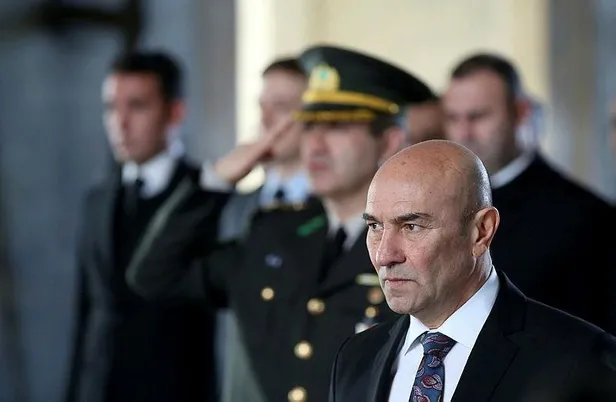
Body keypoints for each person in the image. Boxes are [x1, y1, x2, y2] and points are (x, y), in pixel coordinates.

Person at [126, 44, 438, 402]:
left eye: (337, 126)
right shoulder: (275, 233)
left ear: (389, 141)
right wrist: (215, 181)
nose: (316, 145)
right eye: (310, 126)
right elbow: (154, 275)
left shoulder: (417, 245)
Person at [329, 140, 616, 402]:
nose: (384, 255)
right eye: (375, 226)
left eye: (411, 227)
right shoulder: (355, 358)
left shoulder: (582, 361)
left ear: (481, 231)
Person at [64, 51, 228, 402]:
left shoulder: (206, 197)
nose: (120, 122)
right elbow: (85, 314)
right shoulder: (97, 201)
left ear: (175, 112)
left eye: (136, 106)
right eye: (111, 107)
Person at [442, 52, 616, 331]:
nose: (463, 133)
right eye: (453, 118)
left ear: (520, 112)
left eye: (478, 117)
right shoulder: (440, 204)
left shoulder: (588, 217)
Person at [204, 57, 310, 402]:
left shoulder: (332, 209)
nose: (264, 121)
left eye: (281, 107)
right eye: (261, 107)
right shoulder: (236, 207)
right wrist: (216, 179)